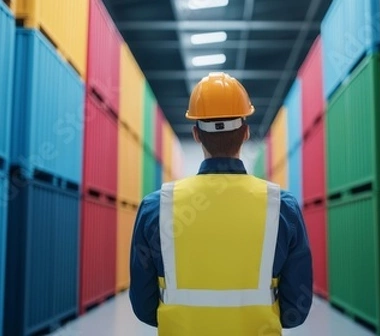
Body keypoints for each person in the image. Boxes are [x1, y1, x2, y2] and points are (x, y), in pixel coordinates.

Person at [129, 72, 313, 336]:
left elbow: (144, 306)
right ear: (246, 132)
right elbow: (296, 306)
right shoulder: (282, 207)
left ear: (196, 134)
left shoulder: (156, 207)